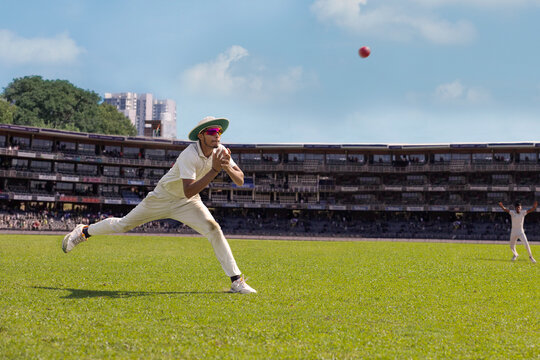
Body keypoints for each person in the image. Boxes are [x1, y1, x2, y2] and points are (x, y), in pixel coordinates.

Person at [62, 116, 257, 294]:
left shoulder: (221, 151)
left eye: (219, 132)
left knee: (214, 230)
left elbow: (240, 180)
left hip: (188, 202)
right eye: (212, 132)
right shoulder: (188, 154)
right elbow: (189, 188)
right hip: (162, 198)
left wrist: (225, 167)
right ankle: (84, 231)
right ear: (201, 135)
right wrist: (215, 170)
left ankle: (236, 281)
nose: (217, 136)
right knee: (123, 224)